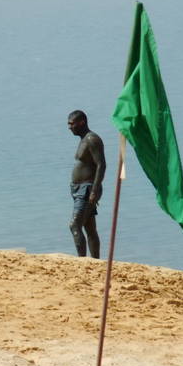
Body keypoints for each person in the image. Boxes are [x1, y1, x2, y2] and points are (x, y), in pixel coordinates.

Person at [67, 109, 106, 258]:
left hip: (87, 189)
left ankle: (81, 261)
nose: (69, 127)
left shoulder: (92, 139)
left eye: (72, 124)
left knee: (74, 225)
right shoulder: (83, 140)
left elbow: (101, 165)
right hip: (78, 189)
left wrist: (94, 191)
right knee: (89, 228)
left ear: (82, 122)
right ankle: (96, 261)